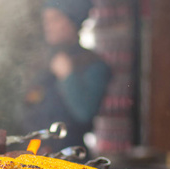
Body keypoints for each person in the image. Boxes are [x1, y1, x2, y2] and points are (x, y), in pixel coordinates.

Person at [23, 0, 111, 154]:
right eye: (46, 20)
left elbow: (84, 114)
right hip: (35, 153)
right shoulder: (42, 62)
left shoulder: (93, 64)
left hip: (72, 155)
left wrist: (68, 76)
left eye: (55, 19)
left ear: (73, 22)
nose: (48, 26)